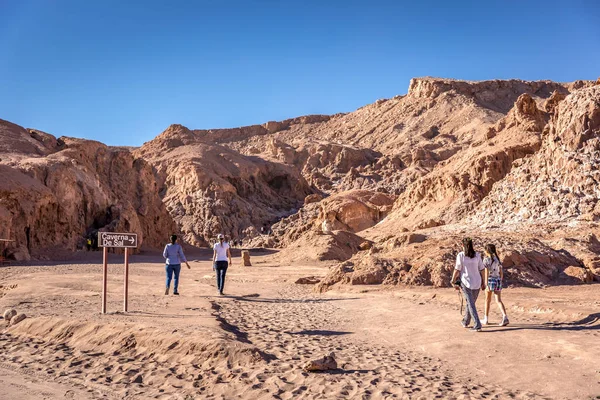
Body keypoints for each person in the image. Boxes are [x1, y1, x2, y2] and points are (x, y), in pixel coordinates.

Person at [451, 237, 486, 331]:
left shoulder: (461, 255)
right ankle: (465, 321)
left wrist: (453, 280)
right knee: (470, 303)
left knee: (470, 304)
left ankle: (477, 324)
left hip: (466, 282)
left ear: (462, 245)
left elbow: (457, 269)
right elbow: (482, 269)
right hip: (477, 282)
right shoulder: (477, 255)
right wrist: (484, 281)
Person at [482, 244, 510, 326]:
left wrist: (485, 283)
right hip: (497, 280)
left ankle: (486, 319)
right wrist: (500, 280)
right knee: (498, 300)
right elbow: (501, 272)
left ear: (487, 251)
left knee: (487, 300)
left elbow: (486, 272)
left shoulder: (486, 260)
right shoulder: (497, 259)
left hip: (490, 280)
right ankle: (505, 316)